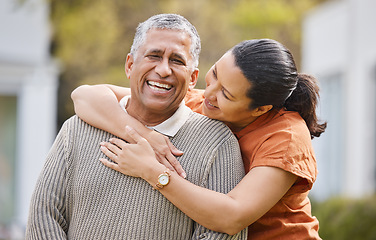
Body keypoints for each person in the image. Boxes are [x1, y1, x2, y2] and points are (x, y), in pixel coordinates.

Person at [72, 38, 327, 239]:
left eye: (226, 93)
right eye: (215, 74)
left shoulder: (287, 138)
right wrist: (146, 136)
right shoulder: (201, 102)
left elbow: (232, 216)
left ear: (261, 109)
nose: (209, 94)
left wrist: (151, 170)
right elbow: (85, 96)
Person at [25, 14, 247, 240]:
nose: (163, 70)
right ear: (130, 65)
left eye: (177, 61)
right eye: (154, 56)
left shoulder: (218, 142)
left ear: (193, 78)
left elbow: (221, 235)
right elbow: (44, 217)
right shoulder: (76, 128)